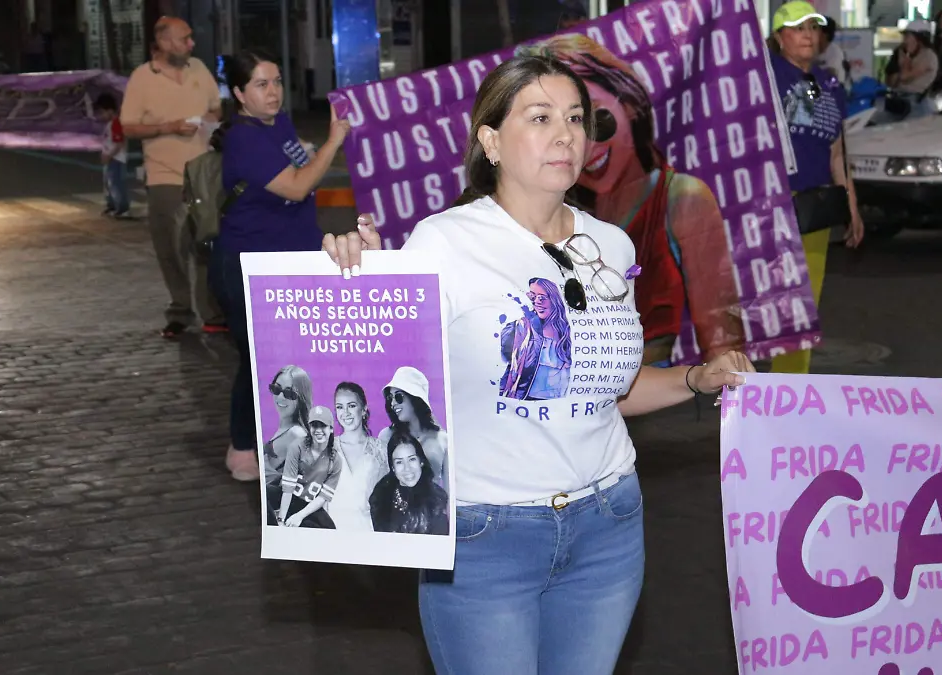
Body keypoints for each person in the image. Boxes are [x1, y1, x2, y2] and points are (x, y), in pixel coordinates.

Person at [324, 55, 756, 674]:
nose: (566, 134)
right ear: (491, 140)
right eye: (541, 116)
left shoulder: (610, 246)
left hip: (608, 523)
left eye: (576, 118)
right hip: (487, 536)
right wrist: (357, 279)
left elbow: (610, 388)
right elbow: (374, 379)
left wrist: (694, 378)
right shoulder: (443, 242)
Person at [519, 35, 743, 366]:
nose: (586, 145)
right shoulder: (545, 204)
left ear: (629, 104)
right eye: (557, 130)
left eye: (596, 119)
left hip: (654, 403)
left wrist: (732, 395)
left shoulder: (681, 200)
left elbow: (723, 339)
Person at [210, 48, 350, 482]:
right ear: (238, 92)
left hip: (286, 265)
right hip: (247, 267)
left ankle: (283, 442)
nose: (272, 93)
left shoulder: (278, 124)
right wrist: (333, 142)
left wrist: (310, 150)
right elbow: (297, 186)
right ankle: (242, 447)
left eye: (276, 82)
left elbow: (299, 166)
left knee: (284, 360)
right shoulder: (244, 136)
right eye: (260, 85)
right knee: (255, 360)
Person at [767, 2, 864, 375]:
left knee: (802, 311)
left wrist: (852, 206)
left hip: (813, 212)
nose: (808, 34)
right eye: (797, 27)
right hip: (769, 210)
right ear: (780, 36)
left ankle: (787, 393)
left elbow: (837, 152)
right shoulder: (766, 74)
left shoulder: (830, 84)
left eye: (813, 26)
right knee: (763, 308)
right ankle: (739, 389)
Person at [120, 16, 227, 339]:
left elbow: (216, 109)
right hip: (164, 175)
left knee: (207, 243)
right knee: (172, 247)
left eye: (191, 38)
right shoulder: (142, 78)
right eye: (185, 39)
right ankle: (180, 310)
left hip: (204, 173)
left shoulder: (199, 69)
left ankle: (213, 312)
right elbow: (128, 126)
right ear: (165, 43)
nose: (191, 44)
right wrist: (169, 127)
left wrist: (210, 118)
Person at [327, 382, 388, 530]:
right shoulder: (326, 448)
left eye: (352, 405)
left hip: (368, 533)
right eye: (340, 407)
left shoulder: (381, 450)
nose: (345, 412)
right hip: (332, 535)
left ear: (363, 409)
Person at [376, 367, 448, 492]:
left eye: (398, 397)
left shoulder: (442, 439)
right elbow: (381, 486)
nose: (393, 403)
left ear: (415, 398)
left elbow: (449, 492)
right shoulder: (386, 437)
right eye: (390, 398)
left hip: (433, 509)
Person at [368, 433, 449, 535]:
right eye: (399, 462)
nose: (407, 468)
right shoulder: (380, 498)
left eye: (411, 459)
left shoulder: (437, 499)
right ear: (393, 468)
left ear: (421, 461)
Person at [276, 405, 341, 529]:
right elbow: (288, 489)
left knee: (330, 528)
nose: (318, 430)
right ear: (309, 427)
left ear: (331, 429)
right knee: (267, 493)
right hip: (289, 497)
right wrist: (281, 520)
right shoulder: (297, 446)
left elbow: (323, 497)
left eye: (323, 425)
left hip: (308, 505)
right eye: (314, 425)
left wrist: (299, 516)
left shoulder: (336, 460)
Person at [261, 365, 312, 490]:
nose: (280, 397)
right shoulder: (285, 429)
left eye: (289, 393)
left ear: (301, 397)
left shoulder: (296, 434)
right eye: (276, 389)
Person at [879, 19, 940, 122]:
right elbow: (890, 81)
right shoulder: (901, 53)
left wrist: (904, 63)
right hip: (897, 101)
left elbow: (904, 77)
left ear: (919, 39)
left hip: (917, 104)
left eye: (908, 36)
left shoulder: (928, 56)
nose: (904, 40)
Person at [93, 93, 131, 219]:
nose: (100, 116)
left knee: (116, 184)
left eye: (102, 113)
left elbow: (119, 143)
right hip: (110, 159)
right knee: (109, 183)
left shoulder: (116, 123)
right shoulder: (110, 123)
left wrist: (109, 155)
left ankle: (122, 209)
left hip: (116, 159)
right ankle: (112, 206)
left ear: (110, 111)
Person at [817, 16, 846, 82]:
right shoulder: (811, 50)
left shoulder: (835, 52)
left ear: (824, 34)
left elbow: (831, 74)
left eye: (816, 29)